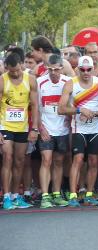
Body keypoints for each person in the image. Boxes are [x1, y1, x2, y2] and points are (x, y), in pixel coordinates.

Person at [58, 56, 98, 207]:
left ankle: (90, 194)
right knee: (78, 160)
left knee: (93, 161)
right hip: (78, 127)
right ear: (77, 69)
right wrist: (80, 110)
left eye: (89, 69)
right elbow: (61, 109)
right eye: (82, 70)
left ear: (94, 69)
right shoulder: (70, 83)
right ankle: (73, 194)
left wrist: (93, 114)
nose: (86, 73)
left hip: (95, 127)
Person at [0, 52, 39, 210]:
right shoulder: (2, 80)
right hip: (5, 125)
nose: (15, 73)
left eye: (17, 70)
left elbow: (35, 105)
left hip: (22, 127)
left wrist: (34, 128)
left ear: (22, 65)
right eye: (11, 71)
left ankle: (16, 195)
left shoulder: (30, 80)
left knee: (19, 161)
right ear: (6, 68)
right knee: (7, 158)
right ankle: (7, 196)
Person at [37, 54, 71, 208]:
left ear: (61, 69)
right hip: (46, 128)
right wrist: (40, 128)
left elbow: (71, 105)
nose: (53, 73)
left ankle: (56, 193)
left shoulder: (67, 82)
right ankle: (45, 195)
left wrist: (69, 122)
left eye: (56, 70)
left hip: (62, 130)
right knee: (46, 160)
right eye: (50, 70)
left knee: (58, 161)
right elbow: (36, 108)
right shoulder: (40, 82)